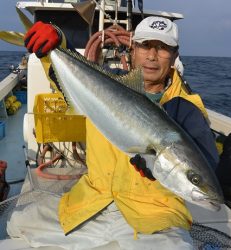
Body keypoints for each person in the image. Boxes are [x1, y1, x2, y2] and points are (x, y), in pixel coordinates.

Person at [7, 16, 219, 250]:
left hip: (153, 217)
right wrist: (55, 41)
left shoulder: (185, 108)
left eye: (162, 48)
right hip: (92, 202)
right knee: (17, 226)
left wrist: (160, 173)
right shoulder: (105, 82)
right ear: (133, 49)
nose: (152, 56)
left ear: (174, 56)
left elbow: (206, 161)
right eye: (146, 45)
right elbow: (67, 77)